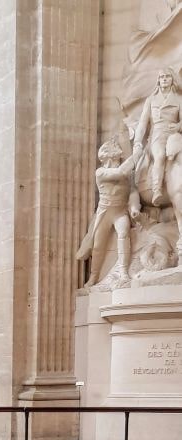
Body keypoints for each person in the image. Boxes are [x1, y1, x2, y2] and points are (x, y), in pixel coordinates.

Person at [77, 138, 135, 288]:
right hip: (105, 213)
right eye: (116, 156)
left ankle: (123, 271)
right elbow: (120, 172)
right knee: (97, 246)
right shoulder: (101, 172)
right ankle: (94, 276)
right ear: (109, 157)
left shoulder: (126, 174)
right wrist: (137, 153)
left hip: (120, 212)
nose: (119, 158)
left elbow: (133, 191)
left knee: (124, 234)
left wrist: (135, 206)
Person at [134, 69, 182, 205]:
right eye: (162, 77)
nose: (164, 79)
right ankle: (157, 190)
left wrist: (178, 126)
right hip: (158, 135)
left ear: (172, 79)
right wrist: (138, 142)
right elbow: (143, 123)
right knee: (160, 155)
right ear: (158, 80)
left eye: (167, 76)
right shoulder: (152, 100)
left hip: (174, 134)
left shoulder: (179, 99)